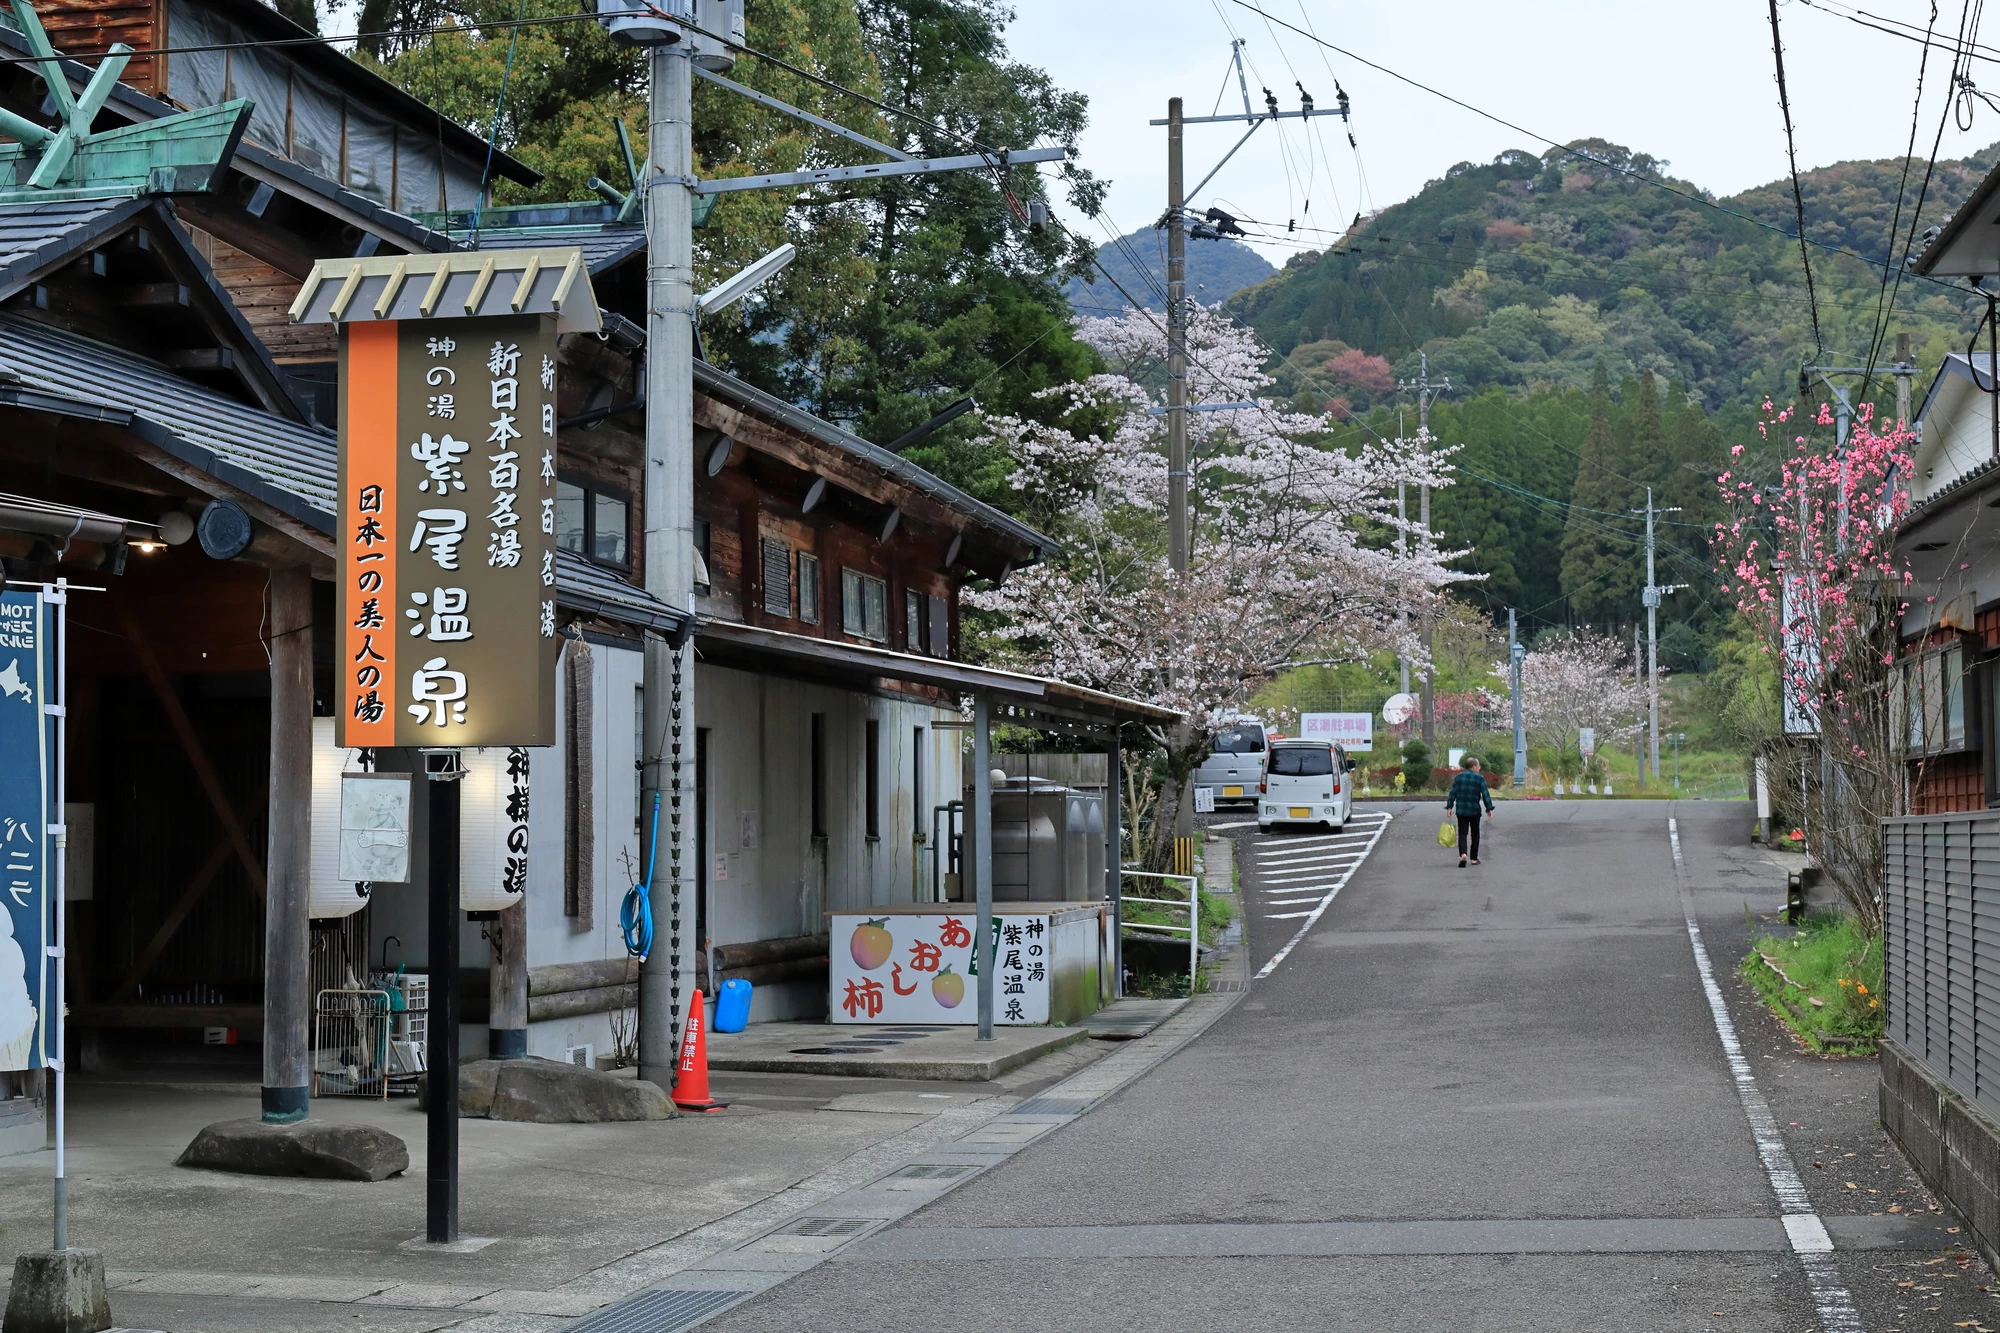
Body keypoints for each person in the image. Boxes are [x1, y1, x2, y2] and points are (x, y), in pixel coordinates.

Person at [1444, 755, 1495, 868]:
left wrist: (1449, 806)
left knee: (1462, 833)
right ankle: (1473, 858)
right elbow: (1485, 794)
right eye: (1478, 765)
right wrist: (1489, 808)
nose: (1479, 767)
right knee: (1475, 834)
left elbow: (1453, 793)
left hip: (1461, 810)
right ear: (1474, 766)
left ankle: (1463, 854)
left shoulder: (1458, 777)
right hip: (1474, 810)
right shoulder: (1479, 778)